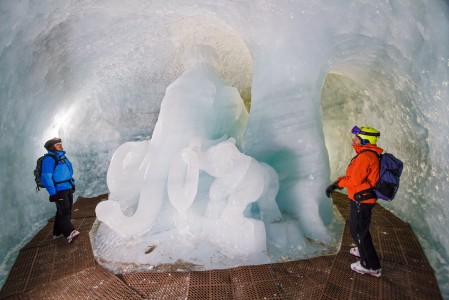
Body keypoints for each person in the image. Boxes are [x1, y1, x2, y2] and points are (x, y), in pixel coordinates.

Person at [326, 126, 382, 278]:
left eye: (356, 137)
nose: (353, 139)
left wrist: (337, 184)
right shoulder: (368, 154)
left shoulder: (365, 157)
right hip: (361, 197)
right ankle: (361, 248)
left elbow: (355, 180)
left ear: (364, 140)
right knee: (359, 227)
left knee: (358, 230)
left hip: (361, 199)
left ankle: (370, 265)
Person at [40, 137, 80, 243]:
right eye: (58, 145)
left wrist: (72, 184)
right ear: (52, 147)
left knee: (61, 210)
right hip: (59, 190)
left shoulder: (62, 157)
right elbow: (46, 177)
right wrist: (53, 193)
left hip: (67, 187)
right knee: (65, 211)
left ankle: (57, 233)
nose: (61, 146)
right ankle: (69, 233)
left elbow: (67, 172)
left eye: (60, 144)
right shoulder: (49, 159)